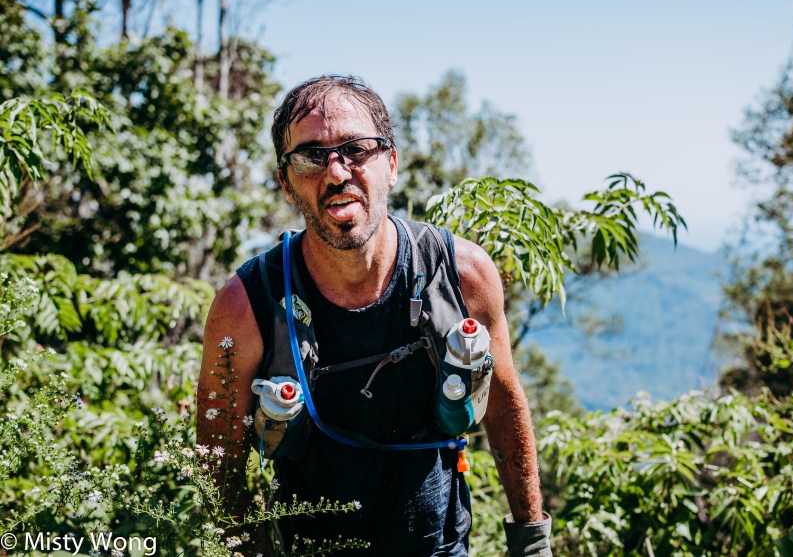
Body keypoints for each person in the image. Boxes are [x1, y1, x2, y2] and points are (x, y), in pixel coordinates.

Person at [197, 75, 552, 556]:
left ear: (392, 164)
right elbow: (218, 465)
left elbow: (504, 409)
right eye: (311, 156)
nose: (336, 173)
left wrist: (532, 545)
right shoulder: (247, 305)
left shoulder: (461, 275)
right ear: (286, 183)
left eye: (356, 150)